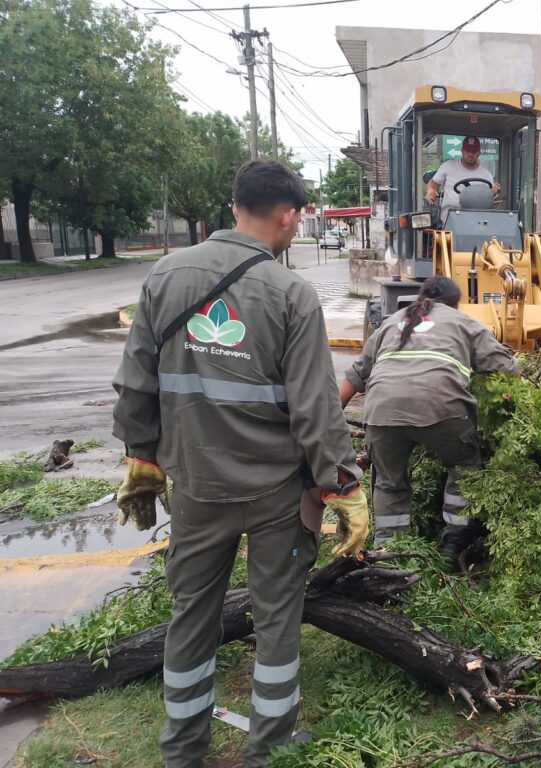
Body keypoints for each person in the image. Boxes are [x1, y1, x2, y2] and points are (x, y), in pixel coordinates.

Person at [112, 159, 368, 768]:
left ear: (234, 208)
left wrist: (142, 457)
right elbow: (316, 409)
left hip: (197, 488)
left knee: (190, 616)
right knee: (277, 620)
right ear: (290, 217)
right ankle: (269, 752)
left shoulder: (164, 276)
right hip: (276, 494)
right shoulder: (290, 294)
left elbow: (135, 382)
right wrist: (342, 487)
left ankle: (182, 752)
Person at [338, 276, 517, 563]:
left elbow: (354, 377)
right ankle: (454, 546)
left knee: (389, 481)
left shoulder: (392, 322)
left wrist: (328, 425)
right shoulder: (464, 322)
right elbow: (508, 370)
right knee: (464, 467)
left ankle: (389, 554)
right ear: (455, 303)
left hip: (382, 412)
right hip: (443, 409)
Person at [426, 135, 501, 221]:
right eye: (468, 151)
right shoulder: (448, 166)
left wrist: (495, 192)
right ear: (462, 151)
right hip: (449, 217)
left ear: (479, 153)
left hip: (476, 219)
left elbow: (491, 197)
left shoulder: (486, 175)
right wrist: (431, 190)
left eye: (474, 151)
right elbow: (434, 183)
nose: (470, 154)